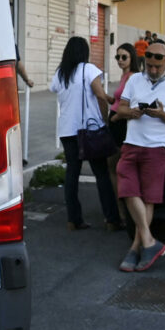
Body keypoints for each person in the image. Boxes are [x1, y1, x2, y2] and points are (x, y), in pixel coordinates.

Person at [112, 40, 165, 272]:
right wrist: (132, 111)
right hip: (132, 143)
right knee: (126, 189)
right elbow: (120, 108)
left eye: (158, 66)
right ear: (145, 61)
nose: (153, 70)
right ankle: (149, 241)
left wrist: (163, 114)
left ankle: (137, 248)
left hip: (158, 147)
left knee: (148, 198)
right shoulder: (135, 80)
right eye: (149, 65)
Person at [49, 36, 123, 232]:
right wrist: (106, 116)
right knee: (101, 174)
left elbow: (54, 90)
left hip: (67, 130)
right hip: (89, 131)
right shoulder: (89, 69)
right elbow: (99, 95)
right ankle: (111, 219)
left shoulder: (60, 73)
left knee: (72, 173)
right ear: (84, 52)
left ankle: (73, 220)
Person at [107, 43, 143, 234]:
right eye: (117, 57)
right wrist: (110, 100)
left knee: (118, 167)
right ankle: (121, 211)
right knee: (113, 167)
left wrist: (117, 116)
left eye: (124, 57)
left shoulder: (134, 77)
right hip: (115, 122)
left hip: (121, 124)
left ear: (132, 58)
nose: (120, 61)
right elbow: (121, 100)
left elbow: (135, 107)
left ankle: (124, 212)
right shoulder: (124, 76)